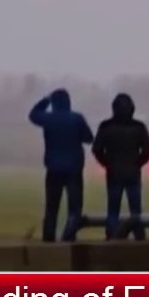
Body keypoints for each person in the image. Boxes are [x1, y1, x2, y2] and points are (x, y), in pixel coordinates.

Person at [28, 88, 93, 242]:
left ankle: (49, 239)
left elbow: (32, 115)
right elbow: (89, 138)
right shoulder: (77, 118)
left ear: (54, 103)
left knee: (51, 208)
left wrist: (45, 100)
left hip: (53, 168)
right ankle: (69, 237)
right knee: (74, 208)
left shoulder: (48, 118)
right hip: (74, 169)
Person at [91, 92, 149, 240]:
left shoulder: (106, 126)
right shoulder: (138, 127)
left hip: (113, 172)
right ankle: (139, 236)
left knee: (113, 210)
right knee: (135, 210)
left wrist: (107, 164)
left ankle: (112, 236)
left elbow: (97, 149)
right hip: (133, 172)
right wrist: (138, 163)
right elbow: (148, 150)